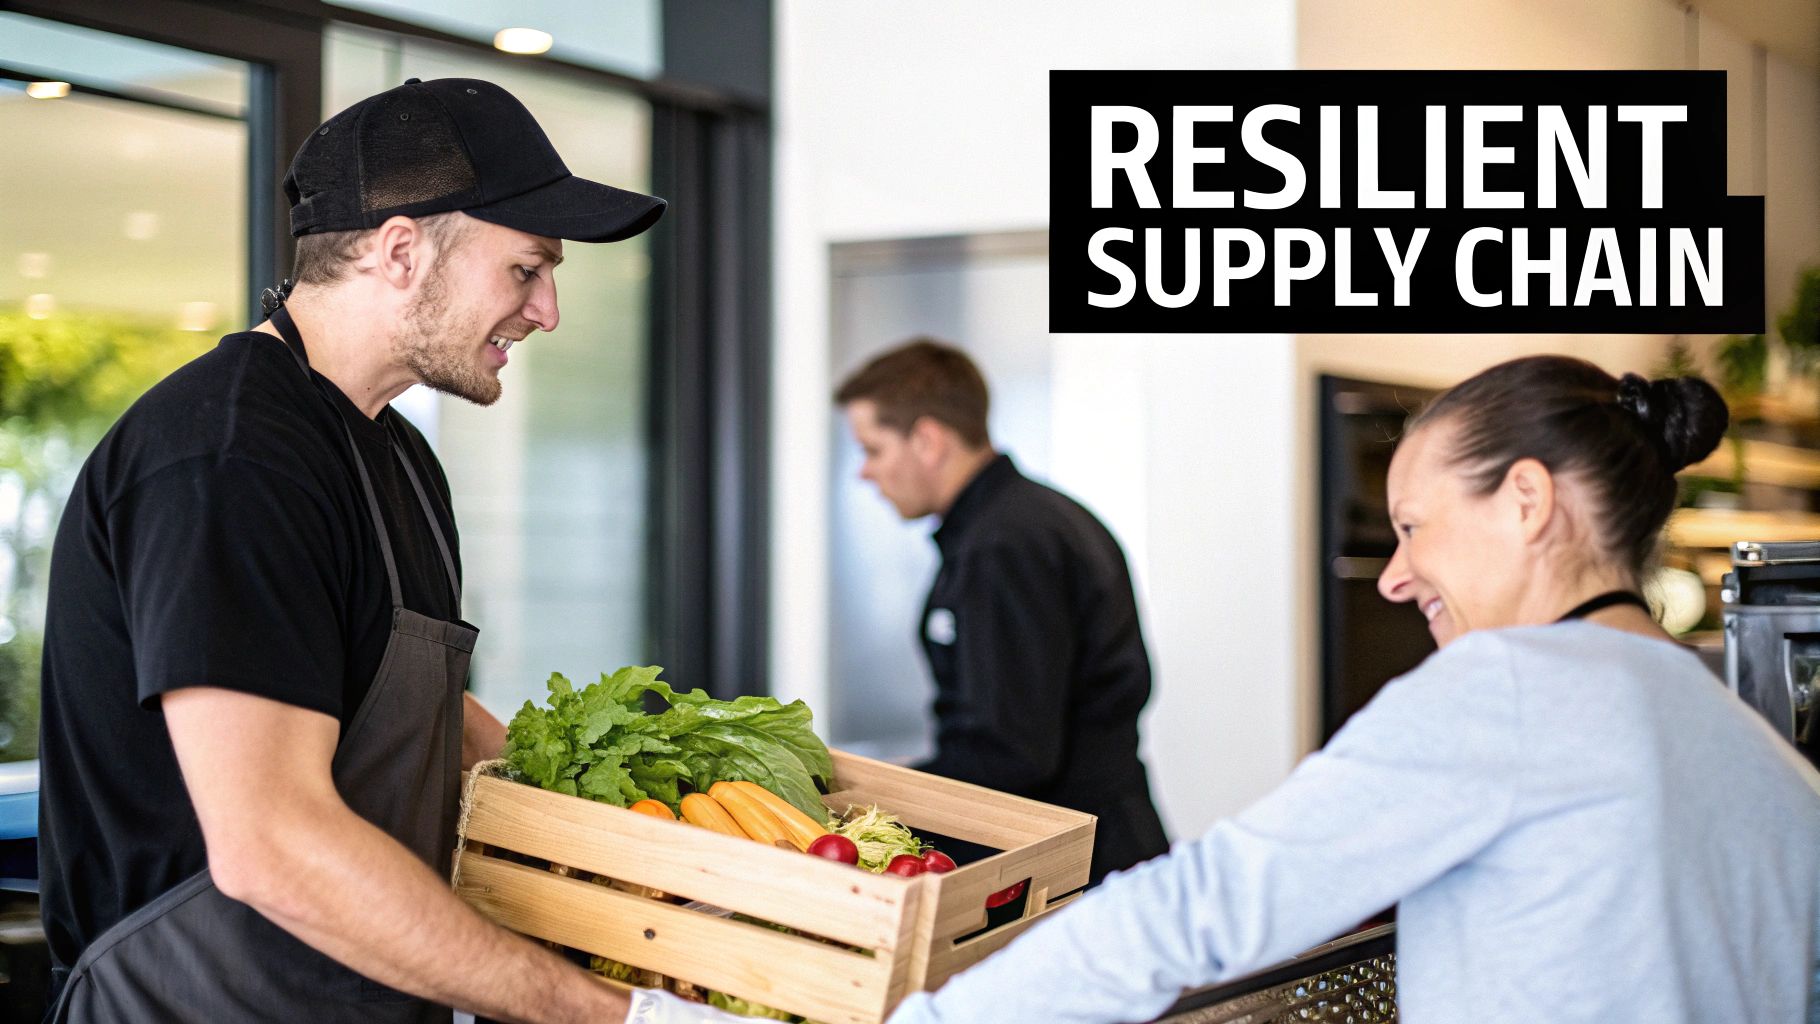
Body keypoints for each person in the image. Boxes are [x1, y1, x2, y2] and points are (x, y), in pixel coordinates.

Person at [34, 77, 708, 1023]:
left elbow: (405, 708)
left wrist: (655, 848)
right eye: (526, 269)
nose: (547, 310)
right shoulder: (227, 456)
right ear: (400, 250)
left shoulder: (396, 452)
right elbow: (271, 840)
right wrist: (612, 1015)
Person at [886, 355, 1820, 1023]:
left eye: (1415, 527)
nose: (1394, 575)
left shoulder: (1502, 690)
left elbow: (1202, 910)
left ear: (1528, 502)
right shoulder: (1755, 747)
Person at [834, 339, 1169, 885]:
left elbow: (1010, 754)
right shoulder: (1028, 519)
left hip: (1075, 871)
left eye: (872, 449)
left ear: (927, 440)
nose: (865, 474)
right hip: (1101, 845)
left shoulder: (1004, 545)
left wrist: (862, 801)